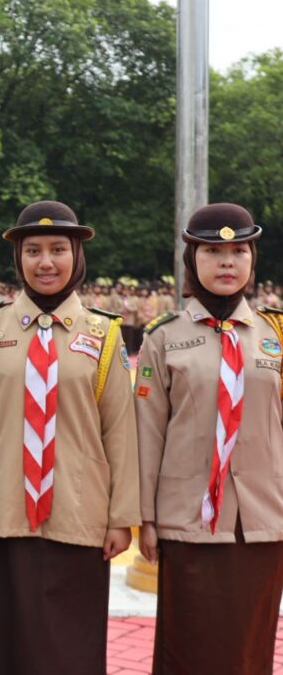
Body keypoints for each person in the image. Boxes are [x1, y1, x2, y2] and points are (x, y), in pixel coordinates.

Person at [0, 200, 140, 675]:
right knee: (2, 639)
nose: (45, 261)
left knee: (70, 642)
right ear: (19, 259)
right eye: (33, 250)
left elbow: (121, 431)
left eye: (57, 249)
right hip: (3, 510)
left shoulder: (105, 334)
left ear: (77, 256)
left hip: (80, 512)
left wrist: (121, 517)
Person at [135, 203, 283, 675]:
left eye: (238, 250)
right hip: (188, 522)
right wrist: (145, 518)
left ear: (252, 260)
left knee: (249, 652)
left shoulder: (275, 335)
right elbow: (147, 434)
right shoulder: (163, 338)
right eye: (212, 251)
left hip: (263, 521)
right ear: (191, 261)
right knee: (187, 649)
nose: (226, 262)